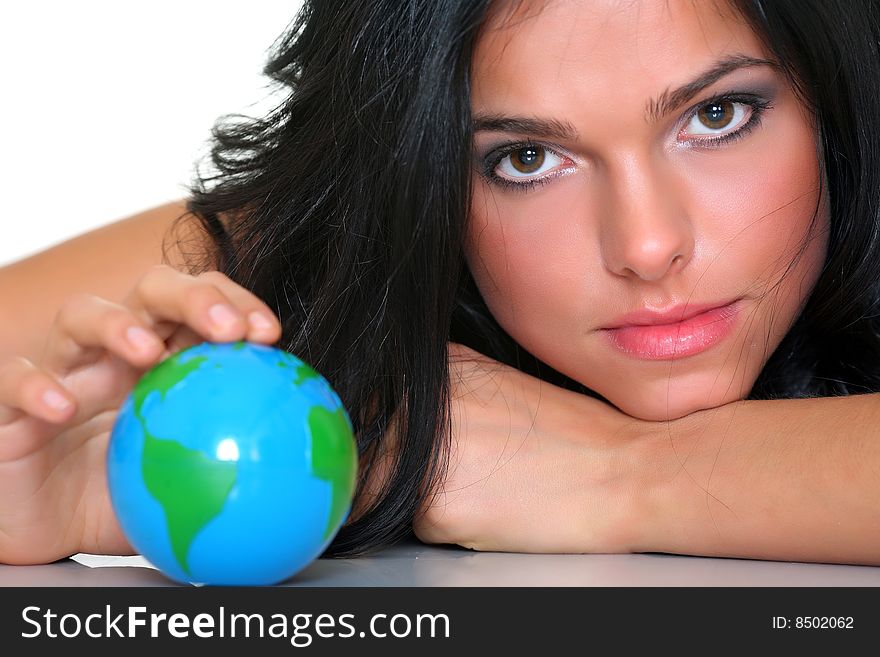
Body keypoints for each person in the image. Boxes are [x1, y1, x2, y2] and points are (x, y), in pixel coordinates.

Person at [1, 0, 880, 567]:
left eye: (717, 114)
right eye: (528, 159)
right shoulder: (338, 252)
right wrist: (76, 481)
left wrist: (614, 474)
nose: (647, 246)